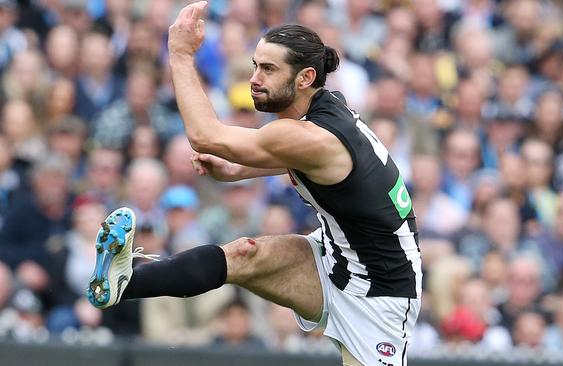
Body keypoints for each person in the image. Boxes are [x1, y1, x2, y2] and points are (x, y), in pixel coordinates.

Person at [86, 2, 422, 366]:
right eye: (255, 66)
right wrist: (237, 172)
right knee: (244, 256)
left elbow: (205, 136)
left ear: (305, 77)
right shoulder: (324, 110)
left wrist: (181, 55)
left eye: (268, 69)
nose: (255, 78)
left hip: (381, 292)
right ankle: (124, 283)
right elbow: (303, 161)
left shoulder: (309, 135)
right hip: (335, 255)